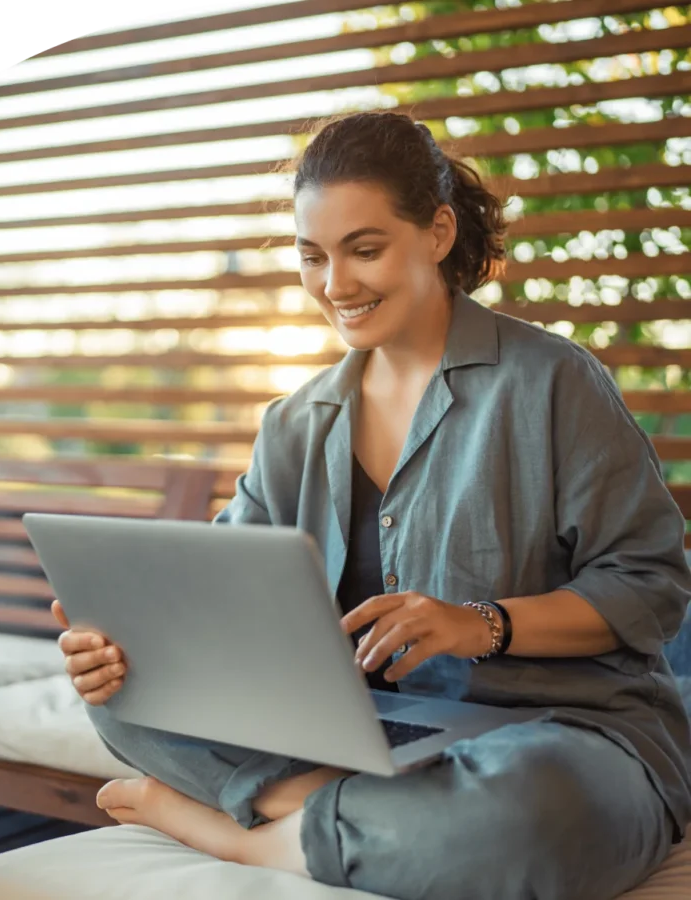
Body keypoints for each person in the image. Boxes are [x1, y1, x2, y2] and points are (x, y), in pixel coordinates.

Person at [50, 110, 691, 900]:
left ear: (438, 232)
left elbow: (651, 587)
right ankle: (351, 814)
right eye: (312, 257)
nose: (335, 285)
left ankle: (237, 831)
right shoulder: (293, 424)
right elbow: (229, 605)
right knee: (127, 700)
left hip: (562, 734)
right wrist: (123, 646)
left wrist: (479, 623)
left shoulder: (553, 383)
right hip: (361, 737)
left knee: (536, 813)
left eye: (365, 249)